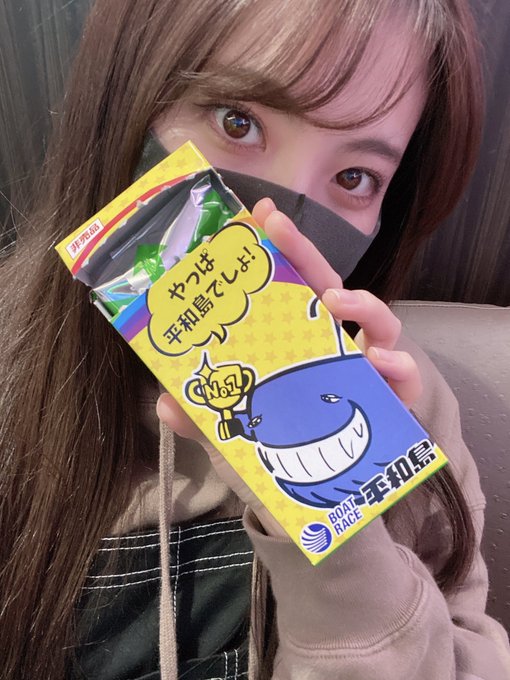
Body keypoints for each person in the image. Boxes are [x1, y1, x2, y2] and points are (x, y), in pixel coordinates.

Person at [0, 0, 509, 678]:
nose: (273, 222)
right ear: (124, 103)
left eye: (354, 177)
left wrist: (343, 522)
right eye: (237, 121)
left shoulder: (407, 402)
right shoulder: (13, 365)